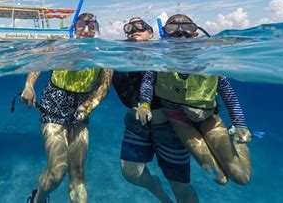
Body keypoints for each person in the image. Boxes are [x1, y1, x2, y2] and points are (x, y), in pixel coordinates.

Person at [138, 14, 252, 186]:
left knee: (241, 178)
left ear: (195, 34)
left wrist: (240, 124)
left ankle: (235, 140)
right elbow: (147, 82)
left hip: (208, 117)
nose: (180, 34)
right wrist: (144, 104)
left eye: (187, 28)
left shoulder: (209, 62)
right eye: (172, 30)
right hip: (178, 118)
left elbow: (229, 95)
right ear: (166, 35)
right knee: (219, 177)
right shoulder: (159, 62)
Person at [21, 13, 113, 203]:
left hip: (81, 107)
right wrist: (29, 86)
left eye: (92, 26)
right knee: (57, 171)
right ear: (74, 27)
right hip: (54, 103)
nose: (86, 30)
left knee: (78, 172)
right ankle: (39, 198)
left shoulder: (103, 52)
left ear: (97, 29)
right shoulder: (60, 46)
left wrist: (87, 107)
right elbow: (38, 64)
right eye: (81, 25)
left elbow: (104, 86)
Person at [113, 17, 198, 203]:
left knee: (178, 184)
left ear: (151, 33)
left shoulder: (164, 55)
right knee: (130, 173)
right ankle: (158, 191)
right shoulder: (117, 55)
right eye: (129, 27)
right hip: (135, 125)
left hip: (169, 127)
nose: (134, 29)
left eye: (140, 26)